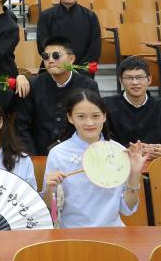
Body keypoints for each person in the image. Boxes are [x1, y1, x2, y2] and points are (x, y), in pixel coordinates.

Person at [43, 90, 148, 228]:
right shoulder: (58, 153)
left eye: (96, 116)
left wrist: (134, 174)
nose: (90, 122)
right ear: (70, 118)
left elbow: (126, 209)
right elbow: (53, 213)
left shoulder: (118, 151)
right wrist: (50, 190)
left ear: (104, 116)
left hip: (112, 231)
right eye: (81, 116)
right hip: (72, 233)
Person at [16, 37, 100, 155]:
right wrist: (32, 156)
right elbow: (21, 124)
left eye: (56, 56)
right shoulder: (33, 85)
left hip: (77, 153)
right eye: (46, 56)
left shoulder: (87, 85)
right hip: (40, 152)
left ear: (71, 59)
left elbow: (95, 120)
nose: (50, 60)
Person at [105, 56, 161, 157]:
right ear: (121, 81)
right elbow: (102, 139)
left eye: (139, 77)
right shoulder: (106, 105)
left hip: (153, 161)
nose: (135, 82)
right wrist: (127, 150)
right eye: (129, 78)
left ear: (149, 79)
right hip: (119, 160)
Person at [36, 0, 101, 66]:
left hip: (82, 71)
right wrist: (60, 67)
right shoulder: (46, 16)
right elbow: (43, 47)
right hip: (53, 69)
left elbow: (94, 49)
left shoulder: (90, 17)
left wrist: (79, 71)